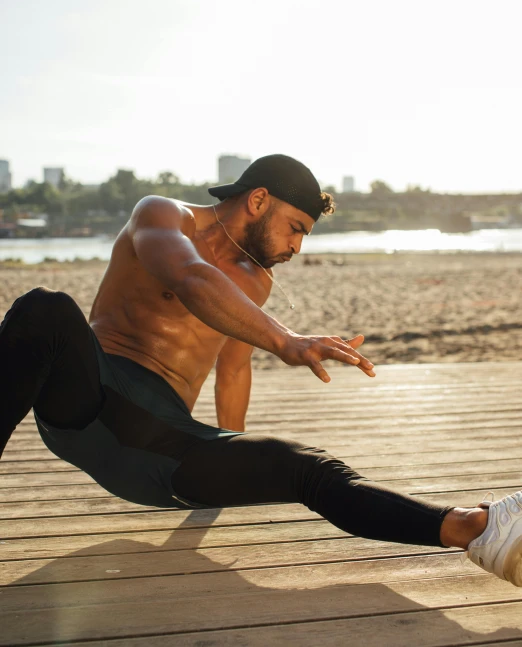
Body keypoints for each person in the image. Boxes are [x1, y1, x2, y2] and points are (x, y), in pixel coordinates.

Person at [1, 154, 521, 586]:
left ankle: (477, 530)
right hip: (88, 396)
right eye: (296, 228)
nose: (297, 247)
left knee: (307, 468)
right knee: (45, 306)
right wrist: (287, 341)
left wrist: (235, 454)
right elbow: (188, 276)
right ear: (257, 200)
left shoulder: (255, 283)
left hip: (160, 451)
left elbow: (232, 372)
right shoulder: (162, 215)